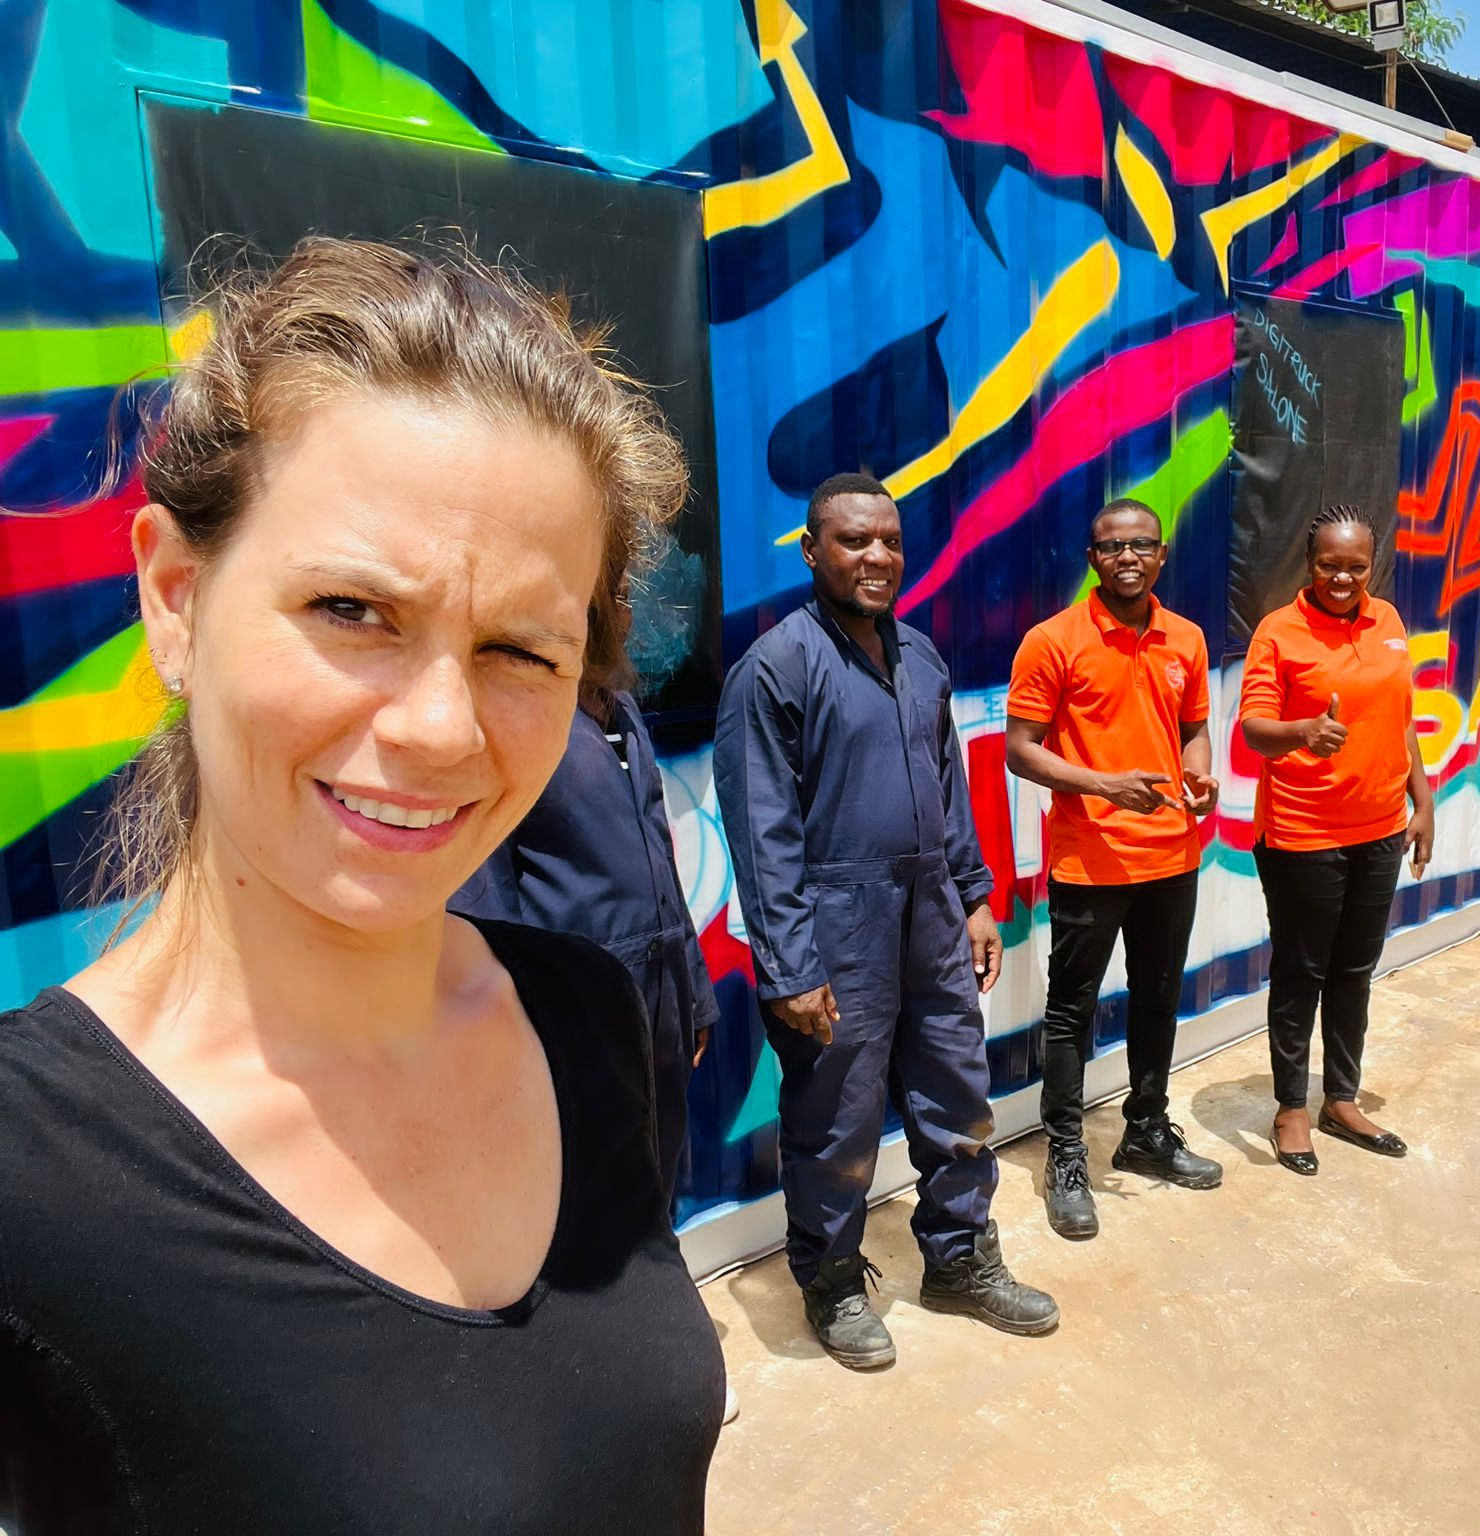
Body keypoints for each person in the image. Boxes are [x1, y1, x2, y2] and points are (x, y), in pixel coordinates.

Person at [0, 238, 724, 1533]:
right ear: (175, 595)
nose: (441, 730)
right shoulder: (31, 1180)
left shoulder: (584, 1018)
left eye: (518, 649)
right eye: (350, 610)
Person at [712, 472, 1058, 1370]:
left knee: (956, 1089)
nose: (876, 557)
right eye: (854, 541)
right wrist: (791, 967)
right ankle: (829, 1282)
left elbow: (948, 792)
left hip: (931, 912)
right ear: (812, 550)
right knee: (837, 1114)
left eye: (889, 541)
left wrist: (975, 896)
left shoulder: (920, 657)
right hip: (835, 924)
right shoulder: (777, 668)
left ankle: (958, 1257)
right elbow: (763, 833)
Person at [451, 672, 741, 1427]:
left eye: (616, 596)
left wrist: (695, 988)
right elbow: (486, 886)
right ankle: (575, 1374)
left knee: (658, 1170)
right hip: (574, 994)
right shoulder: (512, 715)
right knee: (574, 1187)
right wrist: (518, 1014)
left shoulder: (622, 711)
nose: (615, 610)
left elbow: (662, 867)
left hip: (659, 986)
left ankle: (651, 1346)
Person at [1005, 499, 1223, 1240]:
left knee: (1158, 1000)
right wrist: (1105, 786)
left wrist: (1199, 776)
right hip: (1090, 860)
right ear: (1092, 558)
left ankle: (1146, 1131)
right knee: (1072, 1012)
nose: (1126, 556)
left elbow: (1193, 726)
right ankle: (1066, 1154)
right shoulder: (1053, 640)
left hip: (1172, 855)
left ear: (1162, 555)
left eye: (1140, 545)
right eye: (1110, 546)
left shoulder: (1185, 639)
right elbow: (1020, 748)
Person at [1238, 504, 1435, 1177]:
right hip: (1303, 833)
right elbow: (1254, 728)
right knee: (1301, 973)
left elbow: (1400, 719)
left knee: (1354, 972)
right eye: (1330, 565)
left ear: (1372, 564)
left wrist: (1423, 800)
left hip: (1379, 829)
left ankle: (1340, 1100)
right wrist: (1302, 733)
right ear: (1309, 562)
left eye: (1356, 565)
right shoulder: (1280, 632)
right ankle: (1292, 1108)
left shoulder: (1389, 622)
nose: (1343, 578)